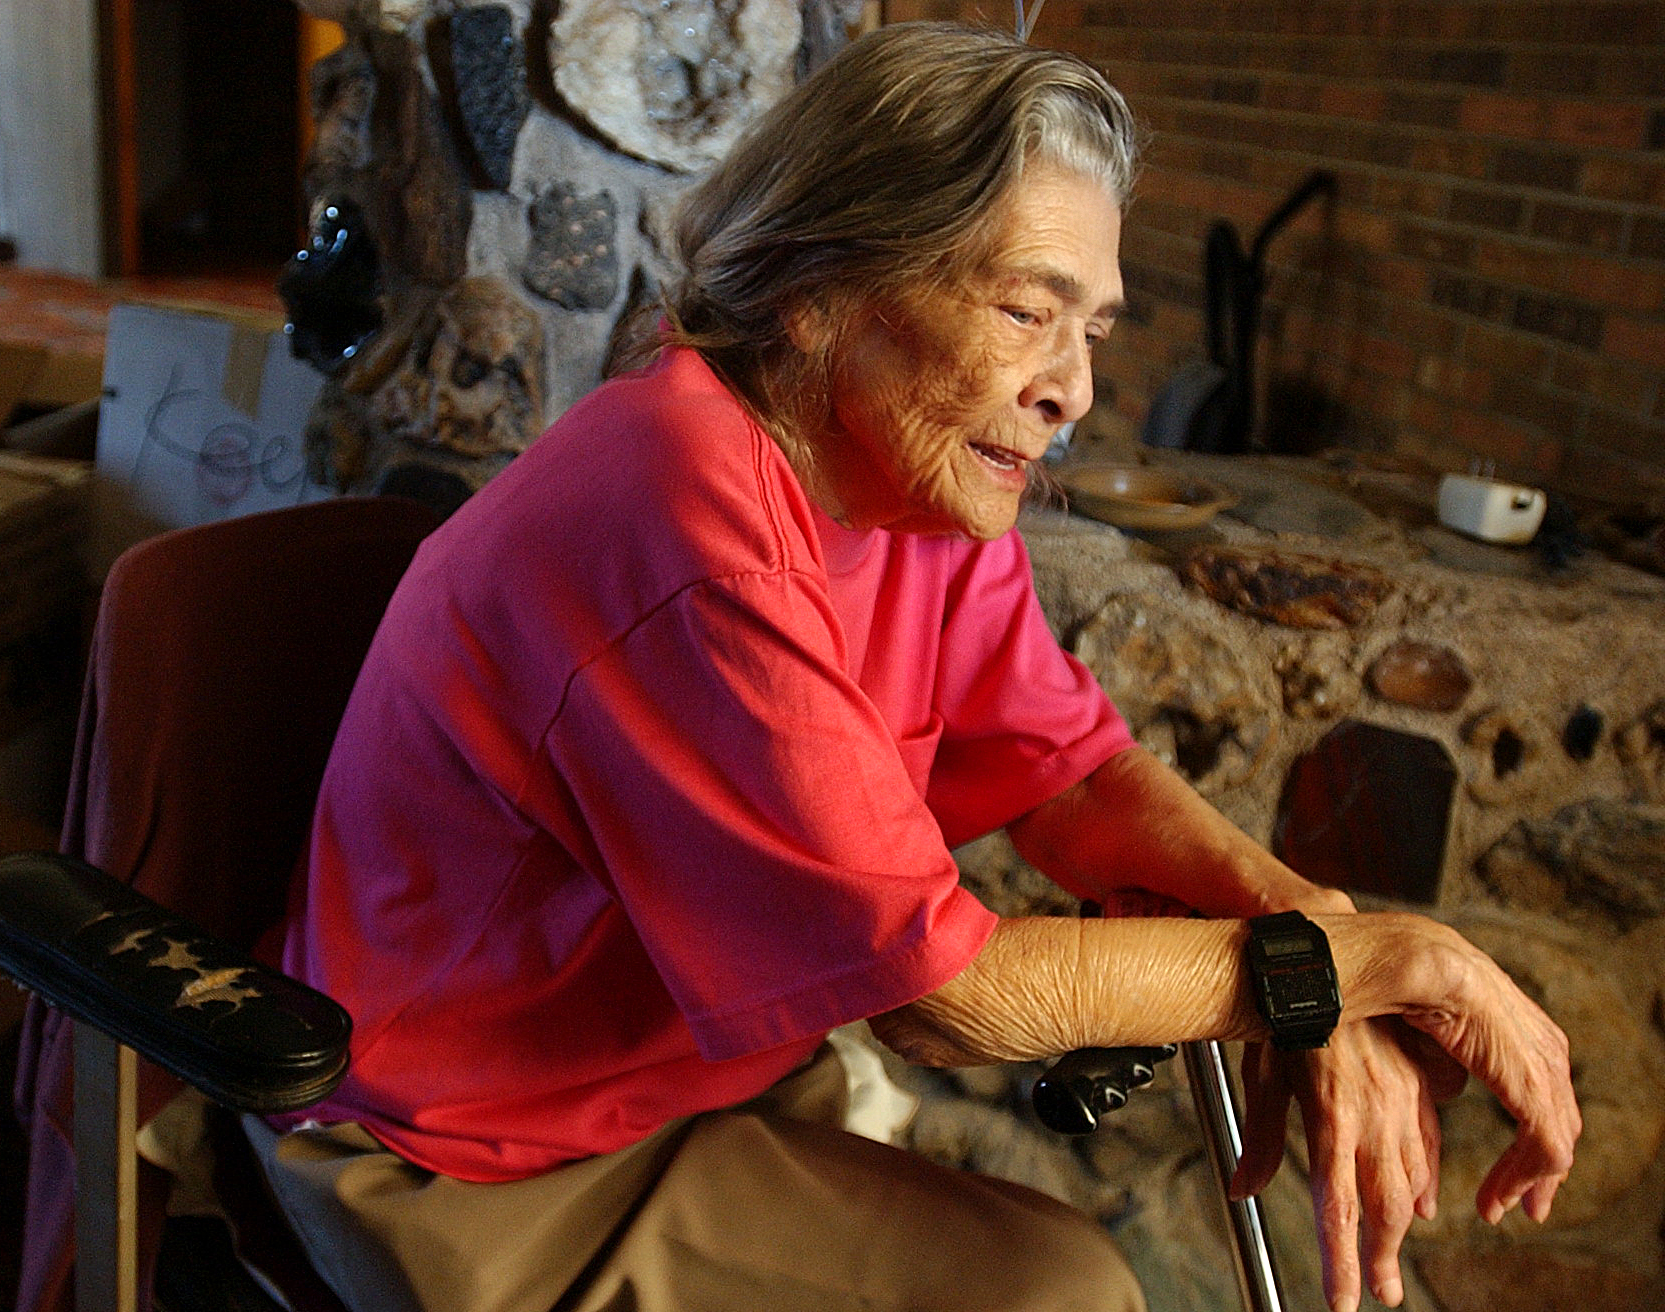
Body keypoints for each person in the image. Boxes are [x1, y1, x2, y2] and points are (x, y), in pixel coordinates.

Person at [249, 22, 1579, 1312]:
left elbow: (1070, 782)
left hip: (680, 1085)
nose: (1071, 390)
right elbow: (947, 1003)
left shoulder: (909, 474)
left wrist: (1318, 937)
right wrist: (1394, 966)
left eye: (1094, 332)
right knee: (1062, 1292)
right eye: (1023, 311)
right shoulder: (693, 520)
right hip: (462, 1154)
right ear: (823, 289)